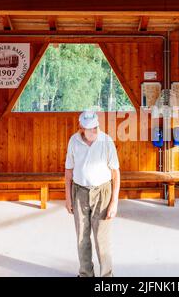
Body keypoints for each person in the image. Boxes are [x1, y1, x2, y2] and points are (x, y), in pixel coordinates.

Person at [64, 110, 120, 277]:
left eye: (96, 127)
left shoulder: (106, 141)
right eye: (90, 128)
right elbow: (68, 170)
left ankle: (106, 276)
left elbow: (116, 173)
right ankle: (85, 274)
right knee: (82, 237)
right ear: (81, 128)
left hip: (102, 192)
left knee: (102, 239)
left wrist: (114, 202)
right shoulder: (73, 141)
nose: (94, 131)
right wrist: (68, 197)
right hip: (79, 191)